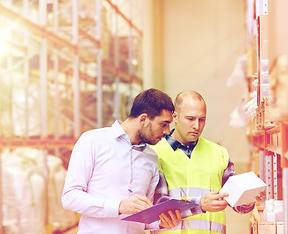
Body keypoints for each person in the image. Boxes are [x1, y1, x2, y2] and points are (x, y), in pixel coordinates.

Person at [61, 88, 181, 234]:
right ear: (143, 119)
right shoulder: (92, 141)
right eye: (164, 124)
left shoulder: (151, 157)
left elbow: (143, 217)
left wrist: (160, 223)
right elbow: (70, 197)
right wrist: (119, 206)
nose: (168, 131)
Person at [151, 91, 258, 234]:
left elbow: (235, 201)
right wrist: (199, 204)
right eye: (190, 119)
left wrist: (248, 199)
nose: (197, 125)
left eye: (202, 119)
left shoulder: (219, 153)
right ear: (175, 117)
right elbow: (158, 204)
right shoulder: (155, 154)